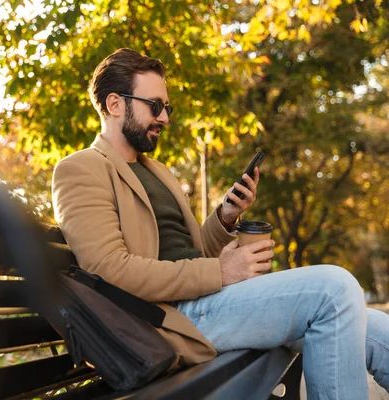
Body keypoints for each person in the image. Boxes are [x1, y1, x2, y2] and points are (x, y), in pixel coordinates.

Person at [52, 48, 389, 399]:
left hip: (209, 300)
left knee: (379, 330)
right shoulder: (81, 169)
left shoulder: (157, 171)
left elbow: (189, 250)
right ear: (115, 104)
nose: (165, 118)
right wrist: (222, 273)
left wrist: (225, 217)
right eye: (154, 106)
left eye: (167, 108)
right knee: (333, 289)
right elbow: (108, 271)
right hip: (170, 319)